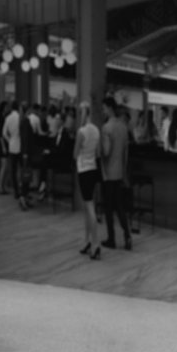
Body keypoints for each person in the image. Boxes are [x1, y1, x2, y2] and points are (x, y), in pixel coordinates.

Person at [100, 95, 132, 250]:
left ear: (109, 108)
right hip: (120, 172)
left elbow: (106, 152)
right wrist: (124, 172)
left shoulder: (107, 128)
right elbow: (126, 154)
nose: (103, 111)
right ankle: (127, 235)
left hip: (108, 173)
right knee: (120, 207)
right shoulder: (123, 127)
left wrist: (98, 151)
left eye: (104, 108)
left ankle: (111, 239)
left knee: (108, 207)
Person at [73, 102, 103, 260]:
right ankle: (87, 241)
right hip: (93, 170)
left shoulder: (81, 131)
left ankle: (96, 243)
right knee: (88, 206)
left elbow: (74, 154)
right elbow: (98, 153)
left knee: (89, 208)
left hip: (83, 170)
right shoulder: (97, 130)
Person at [0, 101, 21, 198]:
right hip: (20, 145)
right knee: (20, 169)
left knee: (13, 170)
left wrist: (10, 140)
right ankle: (21, 191)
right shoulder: (20, 117)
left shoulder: (8, 118)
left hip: (11, 146)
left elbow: (4, 133)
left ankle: (16, 191)